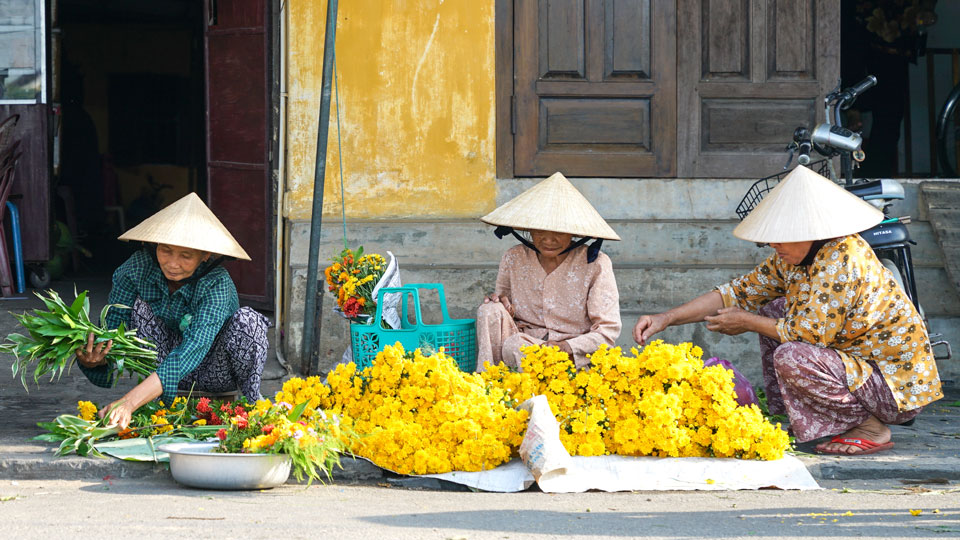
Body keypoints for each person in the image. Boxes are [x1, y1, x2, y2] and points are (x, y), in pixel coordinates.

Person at [633, 165, 943, 455]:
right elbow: (737, 293)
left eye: (780, 237)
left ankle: (871, 427)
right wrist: (666, 319)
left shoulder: (842, 257)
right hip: (854, 368)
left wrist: (747, 322)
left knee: (790, 353)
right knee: (773, 309)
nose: (772, 245)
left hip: (894, 388)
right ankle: (808, 419)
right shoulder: (791, 258)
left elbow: (808, 334)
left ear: (810, 230)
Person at [76, 193, 269, 429]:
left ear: (205, 255)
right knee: (138, 308)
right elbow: (112, 330)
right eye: (165, 250)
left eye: (186, 256)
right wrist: (95, 361)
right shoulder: (136, 269)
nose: (172, 263)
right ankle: (162, 402)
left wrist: (128, 402)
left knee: (249, 321)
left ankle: (250, 406)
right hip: (160, 367)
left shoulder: (217, 283)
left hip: (214, 372)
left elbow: (193, 349)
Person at [475, 172, 622, 371]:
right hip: (524, 345)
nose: (548, 239)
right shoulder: (514, 257)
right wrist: (498, 303)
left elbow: (607, 330)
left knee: (518, 347)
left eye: (559, 232)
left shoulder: (596, 263)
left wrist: (565, 348)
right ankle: (489, 381)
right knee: (490, 312)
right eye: (539, 230)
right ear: (529, 229)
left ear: (573, 232)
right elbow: (504, 306)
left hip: (573, 355)